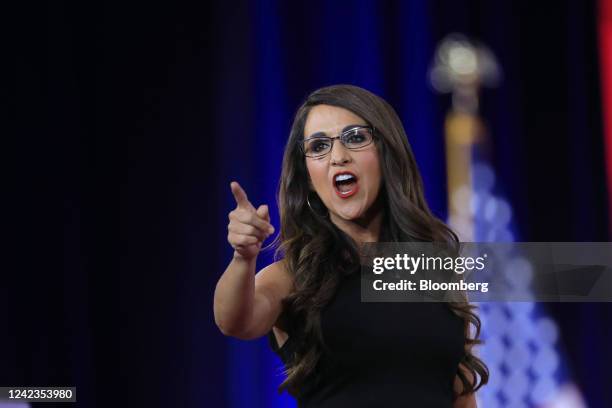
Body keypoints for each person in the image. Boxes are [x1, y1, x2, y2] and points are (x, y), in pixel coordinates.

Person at [213, 84, 488, 407]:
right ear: (308, 179)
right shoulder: (293, 276)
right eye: (318, 146)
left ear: (387, 154)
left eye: (355, 138)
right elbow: (235, 320)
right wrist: (243, 258)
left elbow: (461, 395)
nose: (338, 157)